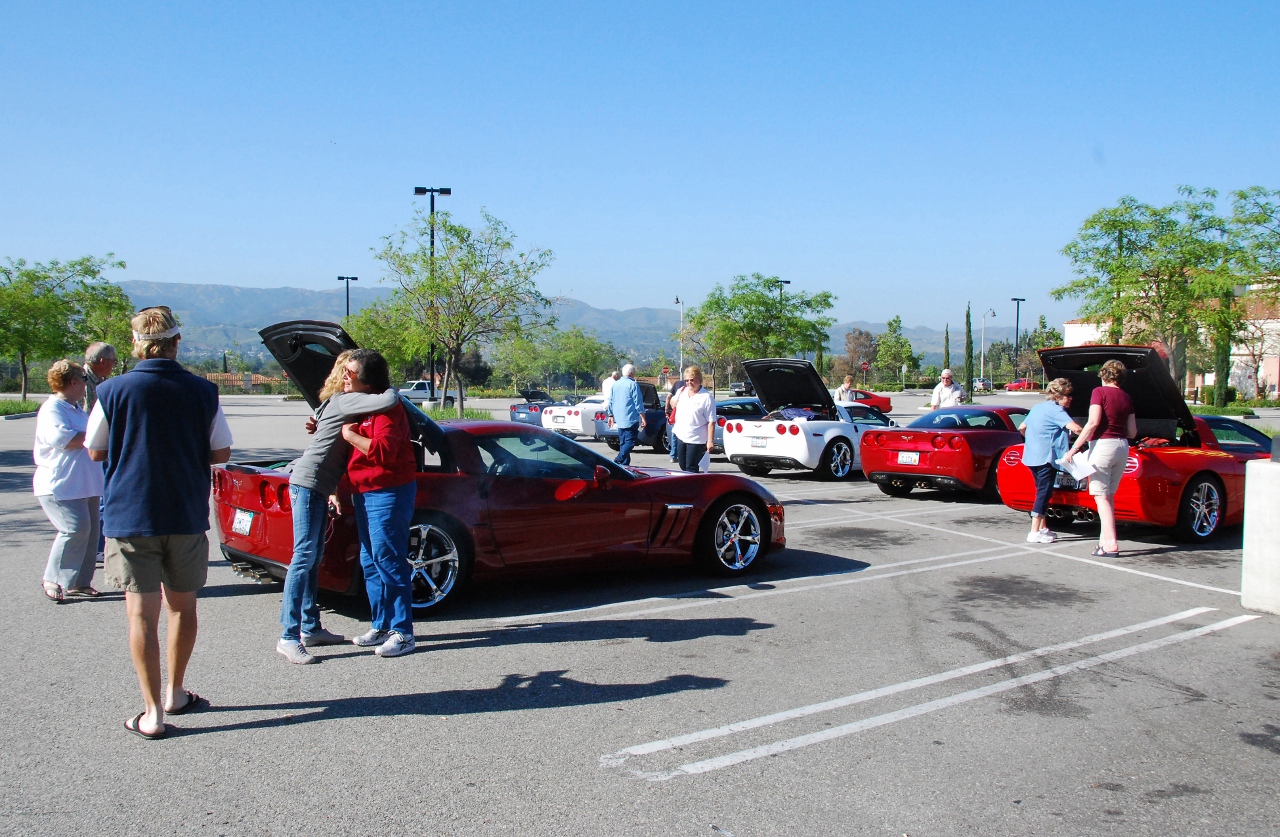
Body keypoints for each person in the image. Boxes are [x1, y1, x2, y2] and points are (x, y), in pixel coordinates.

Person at [86, 306, 232, 740]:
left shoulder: (112, 391)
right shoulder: (204, 391)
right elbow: (221, 451)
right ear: (176, 343)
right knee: (183, 607)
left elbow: (96, 449)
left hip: (131, 514)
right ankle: (176, 691)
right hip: (185, 513)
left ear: (136, 344)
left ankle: (151, 713)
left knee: (141, 615)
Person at [275, 350, 398, 665]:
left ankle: (310, 627)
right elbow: (388, 402)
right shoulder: (346, 401)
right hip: (307, 485)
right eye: (346, 371)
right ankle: (289, 636)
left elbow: (325, 435)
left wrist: (331, 489)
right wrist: (394, 387)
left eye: (352, 372)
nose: (348, 376)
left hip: (315, 486)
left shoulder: (332, 402)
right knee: (303, 559)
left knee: (312, 558)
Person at [339, 349, 418, 658]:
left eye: (351, 373)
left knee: (389, 558)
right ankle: (381, 625)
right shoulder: (359, 407)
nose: (345, 377)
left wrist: (350, 435)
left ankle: (404, 632)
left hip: (389, 491)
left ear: (368, 380)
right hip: (363, 491)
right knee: (370, 560)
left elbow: (383, 451)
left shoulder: (387, 409)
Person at [33, 360, 104, 602]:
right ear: (72, 382)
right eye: (83, 379)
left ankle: (79, 582)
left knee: (92, 532)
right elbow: (62, 439)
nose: (85, 384)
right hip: (61, 484)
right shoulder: (53, 408)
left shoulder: (75, 408)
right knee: (74, 529)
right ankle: (53, 578)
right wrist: (97, 436)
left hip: (86, 483)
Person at [1064, 359, 1137, 557]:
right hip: (1122, 446)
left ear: (1104, 375)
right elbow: (1132, 431)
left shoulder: (1099, 392)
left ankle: (1111, 543)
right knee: (1108, 497)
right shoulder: (1127, 397)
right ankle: (1103, 542)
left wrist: (1074, 448)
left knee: (1100, 497)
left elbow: (1093, 422)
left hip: (1103, 446)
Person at [1020, 378, 1084, 544]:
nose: (1071, 398)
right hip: (1047, 458)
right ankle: (1034, 531)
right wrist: (1089, 434)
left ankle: (1042, 528)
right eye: (1068, 395)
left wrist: (1034, 441)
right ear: (1058, 395)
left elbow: (1022, 427)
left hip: (1031, 456)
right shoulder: (1057, 411)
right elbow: (1076, 429)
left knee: (1040, 490)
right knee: (1044, 493)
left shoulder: (1037, 407)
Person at [83, 342, 117, 567]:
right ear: (102, 361)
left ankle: (98, 546)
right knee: (103, 498)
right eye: (113, 361)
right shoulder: (84, 382)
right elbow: (86, 416)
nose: (114, 366)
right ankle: (97, 548)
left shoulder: (97, 381)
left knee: (101, 497)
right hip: (94, 447)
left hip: (97, 445)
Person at [672, 366, 715, 473]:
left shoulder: (706, 397)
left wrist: (710, 441)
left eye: (692, 380)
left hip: (696, 438)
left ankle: (692, 488)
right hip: (681, 435)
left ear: (699, 380)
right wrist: (674, 402)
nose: (689, 383)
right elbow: (672, 403)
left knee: (691, 467)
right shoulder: (681, 391)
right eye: (687, 380)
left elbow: (711, 421)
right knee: (682, 465)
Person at [607, 363, 645, 466]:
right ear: (632, 373)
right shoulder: (633, 384)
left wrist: (610, 415)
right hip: (630, 418)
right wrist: (643, 416)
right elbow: (638, 402)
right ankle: (618, 460)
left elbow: (610, 400)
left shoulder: (616, 384)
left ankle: (624, 465)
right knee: (630, 442)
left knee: (623, 443)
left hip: (619, 419)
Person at [665, 378, 686, 463]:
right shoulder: (695, 385)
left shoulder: (677, 384)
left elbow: (668, 397)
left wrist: (667, 409)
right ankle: (683, 455)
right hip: (686, 414)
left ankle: (673, 455)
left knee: (674, 433)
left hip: (677, 413)